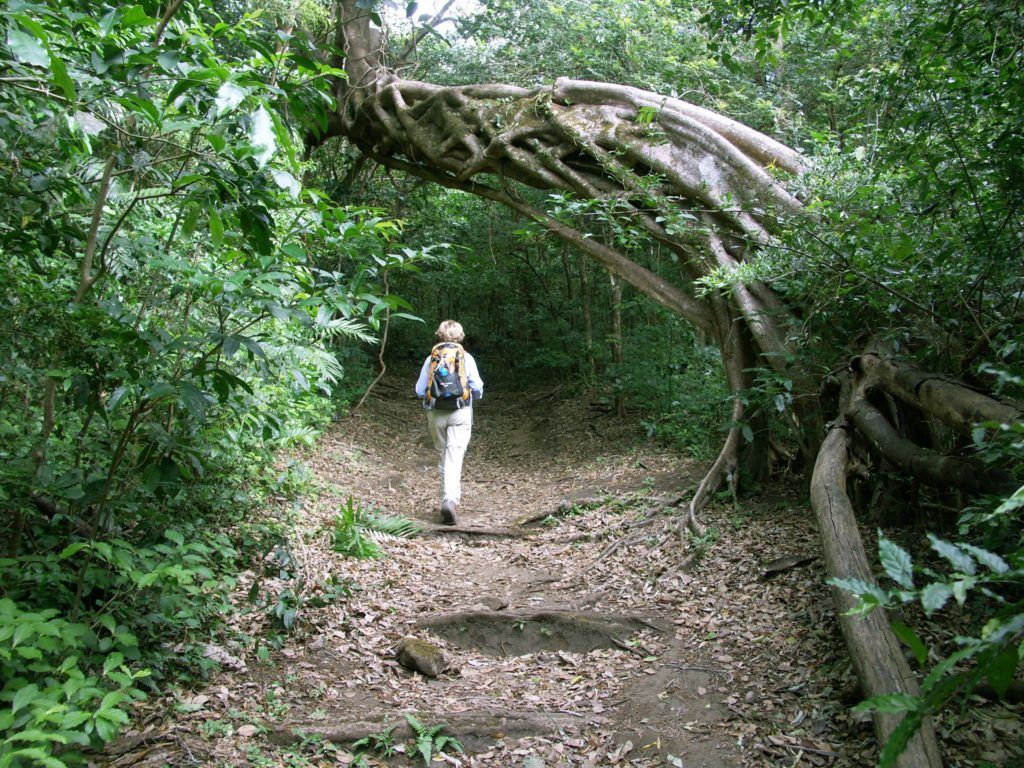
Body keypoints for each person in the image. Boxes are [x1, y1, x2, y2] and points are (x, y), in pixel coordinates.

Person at [414, 320, 484, 525]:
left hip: (436, 412)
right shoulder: (466, 358)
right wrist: (473, 396)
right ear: (460, 336)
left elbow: (419, 390)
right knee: (455, 455)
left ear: (439, 335)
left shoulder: (431, 359)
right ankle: (450, 500)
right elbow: (477, 387)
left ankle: (447, 499)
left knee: (444, 454)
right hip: (460, 411)